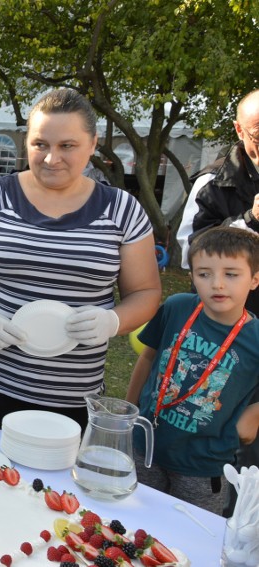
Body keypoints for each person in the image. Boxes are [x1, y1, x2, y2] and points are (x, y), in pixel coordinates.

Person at [0, 88, 161, 442]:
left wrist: (113, 320)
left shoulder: (123, 210)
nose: (52, 158)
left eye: (67, 145)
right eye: (40, 144)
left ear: (93, 144)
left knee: (52, 491)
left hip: (69, 396)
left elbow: (146, 292)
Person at [126, 227, 259, 514]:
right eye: (204, 273)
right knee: (132, 521)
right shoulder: (177, 307)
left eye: (231, 274)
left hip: (202, 464)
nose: (217, 284)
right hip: (144, 447)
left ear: (255, 280)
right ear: (192, 276)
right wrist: (128, 410)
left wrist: (253, 414)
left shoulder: (255, 337)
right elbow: (148, 358)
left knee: (190, 539)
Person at [175, 89, 259, 514]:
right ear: (239, 129)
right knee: (228, 436)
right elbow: (188, 248)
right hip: (224, 336)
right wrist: (248, 222)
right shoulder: (213, 181)